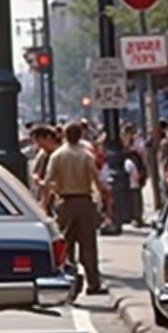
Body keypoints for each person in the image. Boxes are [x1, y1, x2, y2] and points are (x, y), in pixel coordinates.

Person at [42, 120, 105, 295]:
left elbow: (48, 182)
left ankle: (65, 279)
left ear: (64, 135)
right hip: (84, 201)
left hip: (65, 203)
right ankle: (93, 283)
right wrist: (103, 202)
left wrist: (45, 204)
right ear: (81, 136)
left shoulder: (57, 156)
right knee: (89, 245)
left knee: (65, 244)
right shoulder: (86, 156)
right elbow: (97, 181)